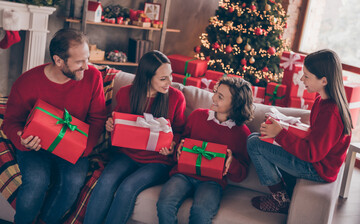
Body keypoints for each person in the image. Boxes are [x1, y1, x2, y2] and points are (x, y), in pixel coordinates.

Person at [1, 28, 107, 223]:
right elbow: (10, 122)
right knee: (36, 183)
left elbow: (98, 117)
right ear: (59, 61)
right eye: (79, 62)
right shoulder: (27, 82)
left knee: (73, 183)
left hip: (74, 146)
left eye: (87, 59)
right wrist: (21, 139)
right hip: (35, 146)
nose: (86, 66)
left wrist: (85, 148)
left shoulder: (93, 77)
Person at [83, 50, 186, 224]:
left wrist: (173, 145)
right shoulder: (125, 93)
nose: (170, 82)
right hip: (126, 154)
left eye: (170, 75)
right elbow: (119, 125)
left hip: (158, 160)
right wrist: (110, 126)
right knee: (106, 180)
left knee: (128, 188)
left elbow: (181, 131)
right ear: (146, 78)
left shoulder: (176, 98)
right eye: (163, 78)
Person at [247, 49, 353, 214]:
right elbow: (314, 136)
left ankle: (280, 200)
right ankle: (285, 189)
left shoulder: (331, 112)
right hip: (315, 160)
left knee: (254, 143)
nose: (302, 79)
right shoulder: (320, 100)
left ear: (324, 80)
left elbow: (312, 154)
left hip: (318, 169)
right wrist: (282, 127)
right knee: (256, 137)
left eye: (307, 76)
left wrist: (280, 133)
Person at [157, 77, 254, 224]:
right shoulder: (197, 116)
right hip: (183, 174)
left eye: (220, 97)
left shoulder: (242, 133)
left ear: (236, 104)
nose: (213, 97)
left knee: (201, 213)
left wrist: (232, 162)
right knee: (164, 204)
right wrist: (178, 149)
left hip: (212, 182)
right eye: (215, 92)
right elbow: (180, 145)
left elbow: (241, 174)